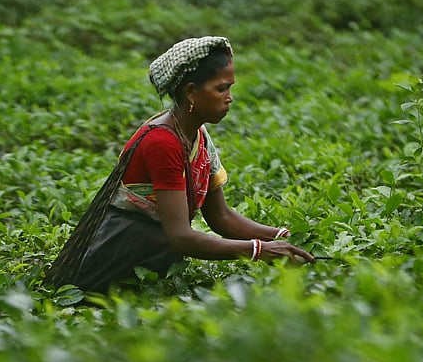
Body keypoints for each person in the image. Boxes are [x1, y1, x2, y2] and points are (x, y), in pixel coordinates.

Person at [44, 36, 315, 296]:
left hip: (144, 265)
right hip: (110, 267)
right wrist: (259, 250)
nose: (229, 97)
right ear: (191, 92)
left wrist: (282, 237)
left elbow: (221, 216)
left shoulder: (196, 134)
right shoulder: (162, 142)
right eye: (221, 88)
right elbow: (181, 238)